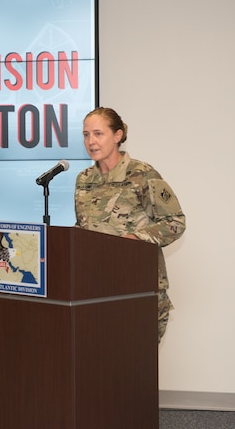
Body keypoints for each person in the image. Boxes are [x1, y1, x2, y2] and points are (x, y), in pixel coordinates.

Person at [74, 107, 186, 343]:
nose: (91, 141)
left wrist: (134, 240)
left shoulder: (142, 174)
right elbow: (84, 227)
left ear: (117, 136)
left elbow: (175, 223)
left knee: (134, 367)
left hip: (138, 288)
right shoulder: (84, 180)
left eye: (98, 134)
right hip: (94, 290)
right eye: (86, 135)